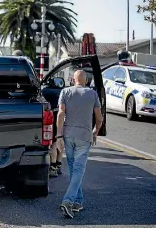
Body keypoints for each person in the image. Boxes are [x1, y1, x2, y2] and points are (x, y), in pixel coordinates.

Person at [55, 70, 103, 218]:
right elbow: (99, 118)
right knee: (79, 170)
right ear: (86, 81)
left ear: (72, 80)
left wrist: (59, 135)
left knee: (73, 169)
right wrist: (95, 131)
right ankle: (68, 201)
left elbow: (61, 113)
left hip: (68, 135)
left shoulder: (65, 91)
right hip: (84, 136)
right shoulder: (93, 94)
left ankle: (78, 200)